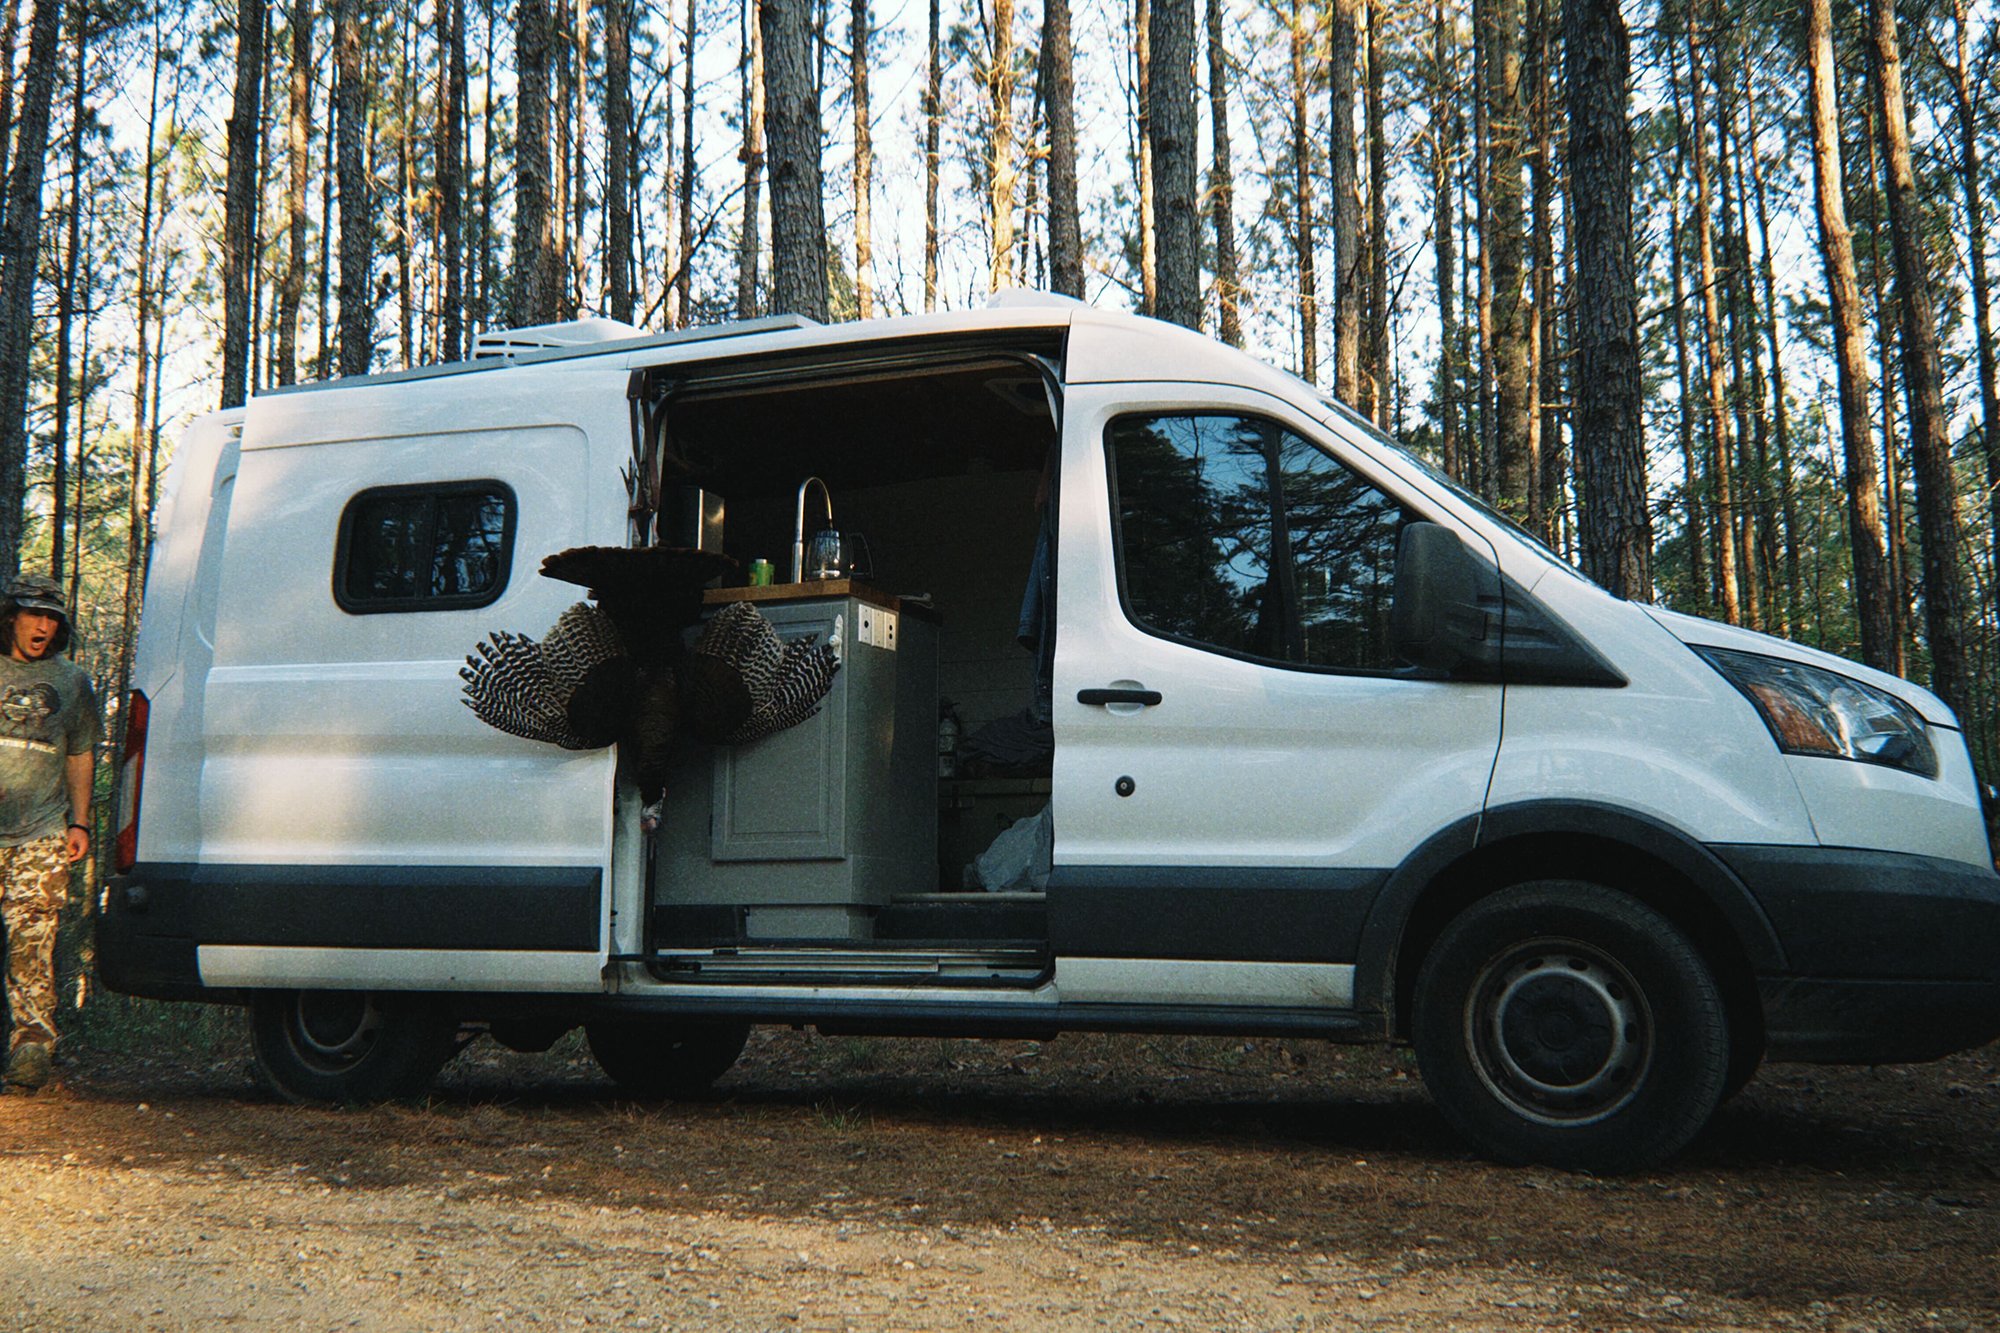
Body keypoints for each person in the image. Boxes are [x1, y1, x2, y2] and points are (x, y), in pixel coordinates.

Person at [0, 575, 99, 1093]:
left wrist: (79, 822)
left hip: (40, 832)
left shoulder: (71, 682)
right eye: (33, 613)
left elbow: (81, 754)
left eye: (52, 618)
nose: (42, 625)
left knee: (32, 942)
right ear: (10, 615)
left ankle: (32, 1048)